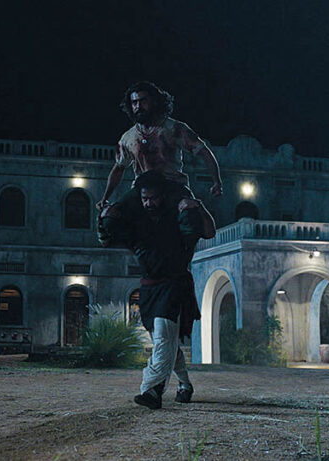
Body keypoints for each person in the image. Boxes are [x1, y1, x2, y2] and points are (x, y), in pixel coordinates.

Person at [98, 170, 216, 410]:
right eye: (144, 199)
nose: (148, 203)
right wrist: (104, 219)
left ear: (163, 196)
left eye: (153, 198)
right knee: (166, 342)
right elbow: (106, 239)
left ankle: (151, 390)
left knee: (163, 339)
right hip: (149, 289)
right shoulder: (137, 223)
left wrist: (199, 207)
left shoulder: (181, 217)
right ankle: (185, 384)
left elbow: (209, 231)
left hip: (173, 286)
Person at [96, 81, 224, 218]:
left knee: (189, 213)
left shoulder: (174, 128)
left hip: (172, 185)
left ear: (154, 101)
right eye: (134, 103)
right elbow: (118, 168)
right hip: (142, 189)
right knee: (109, 217)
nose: (138, 106)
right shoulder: (128, 138)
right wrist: (105, 198)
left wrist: (217, 182)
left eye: (143, 101)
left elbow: (204, 152)